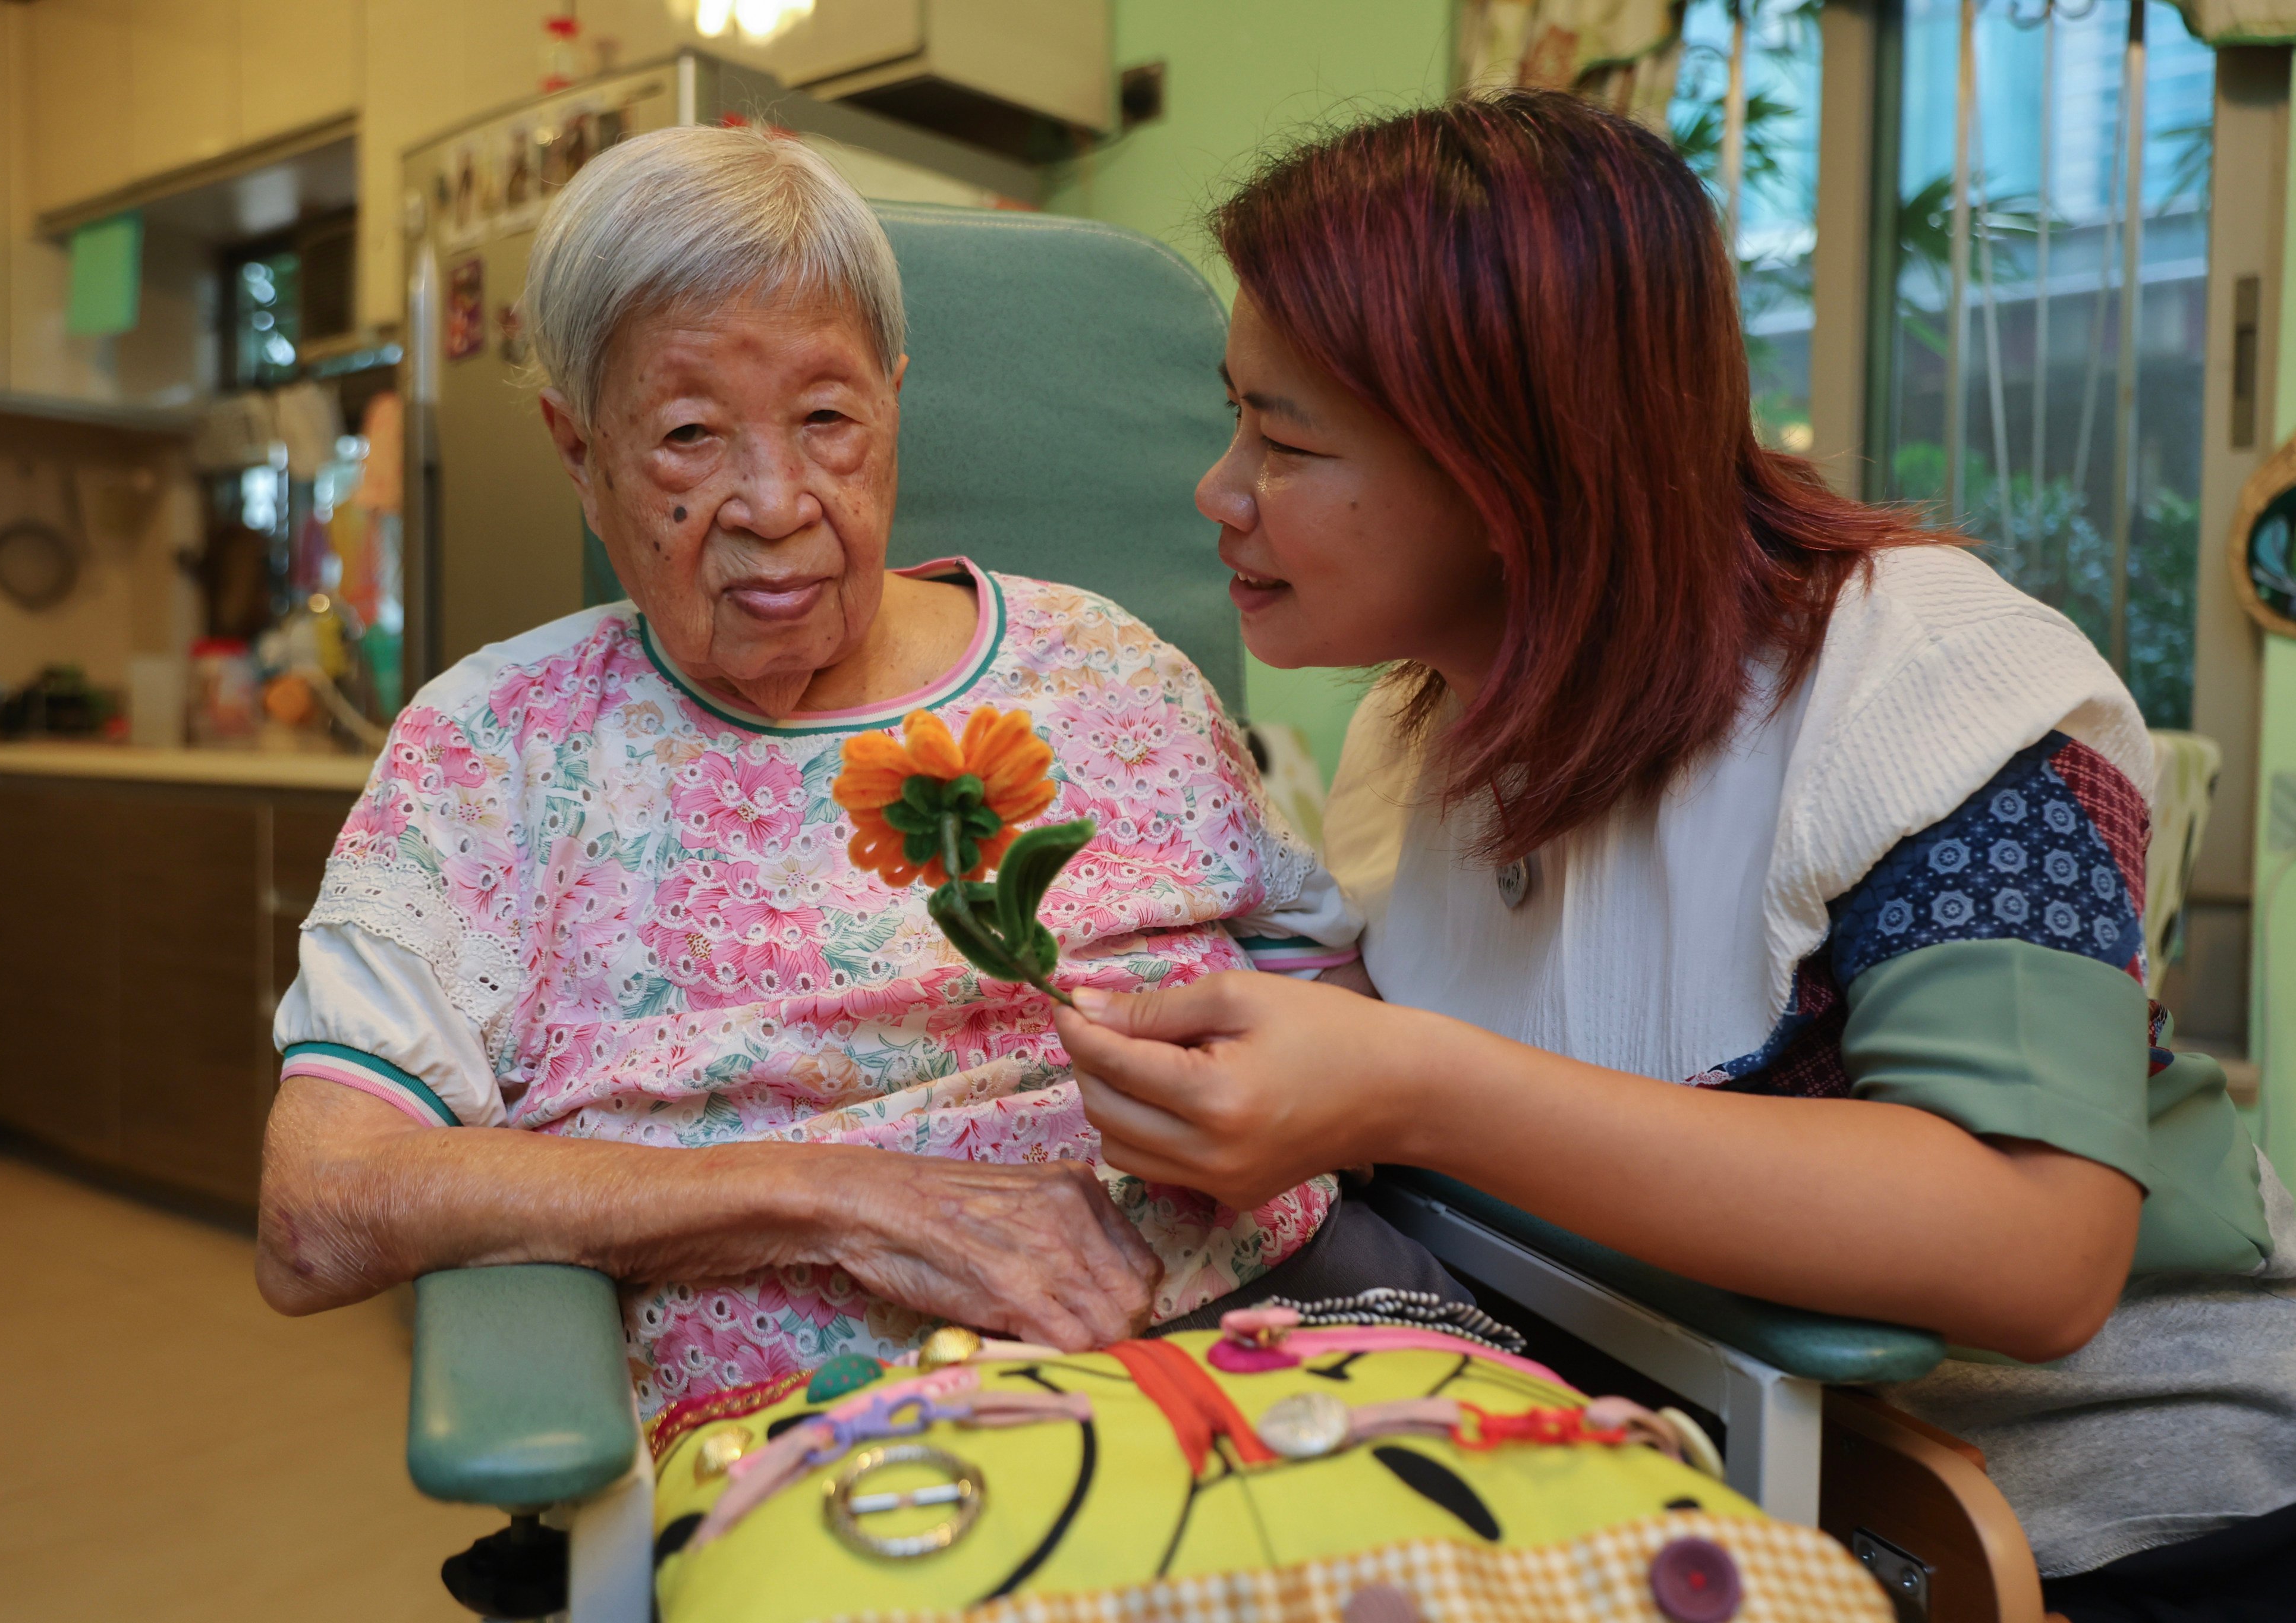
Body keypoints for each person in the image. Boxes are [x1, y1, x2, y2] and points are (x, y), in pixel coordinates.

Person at [1054, 92, 2296, 1622]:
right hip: (1679, 1466)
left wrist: (1407, 1084)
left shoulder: (1922, 681)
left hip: (2109, 1520)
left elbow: (2032, 1244)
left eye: (1283, 437)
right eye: (1234, 416)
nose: (1219, 491)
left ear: (1507, 466)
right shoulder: (1412, 737)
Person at [253, 124, 1395, 1425]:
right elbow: (321, 1207)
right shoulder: (495, 749)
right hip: (839, 1446)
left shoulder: (1108, 668)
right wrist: (839, 1197)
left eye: (826, 420)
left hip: (1284, 1349)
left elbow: (1340, 1021)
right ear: (580, 454)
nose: (775, 501)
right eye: (689, 434)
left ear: (893, 401)